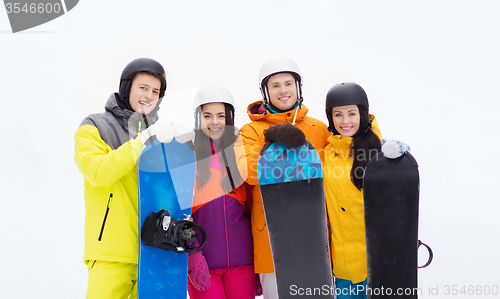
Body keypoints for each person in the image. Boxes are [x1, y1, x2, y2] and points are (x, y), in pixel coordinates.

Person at [74, 58, 175, 299]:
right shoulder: (95, 126)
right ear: (126, 87)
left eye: (155, 91)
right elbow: (98, 172)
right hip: (112, 252)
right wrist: (140, 142)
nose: (149, 96)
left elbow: (172, 195)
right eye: (143, 87)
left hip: (154, 251)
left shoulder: (161, 138)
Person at [235, 58, 331, 299]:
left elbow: (342, 157)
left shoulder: (318, 129)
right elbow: (249, 173)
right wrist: (272, 138)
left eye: (288, 83)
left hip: (315, 239)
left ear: (299, 88)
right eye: (275, 85)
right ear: (265, 92)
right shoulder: (251, 131)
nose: (283, 90)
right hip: (272, 240)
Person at [323, 82, 409, 298]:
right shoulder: (325, 156)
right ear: (330, 118)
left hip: (379, 263)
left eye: (351, 113)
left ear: (362, 114)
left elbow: (399, 200)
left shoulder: (380, 151)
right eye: (338, 115)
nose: (345, 121)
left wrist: (400, 160)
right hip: (342, 267)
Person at [187, 86, 256, 299]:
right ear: (198, 119)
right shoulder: (187, 156)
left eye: (221, 116)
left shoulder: (241, 153)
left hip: (242, 264)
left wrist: (259, 260)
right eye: (207, 116)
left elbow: (255, 208)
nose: (215, 122)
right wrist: (193, 255)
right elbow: (181, 214)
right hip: (204, 264)